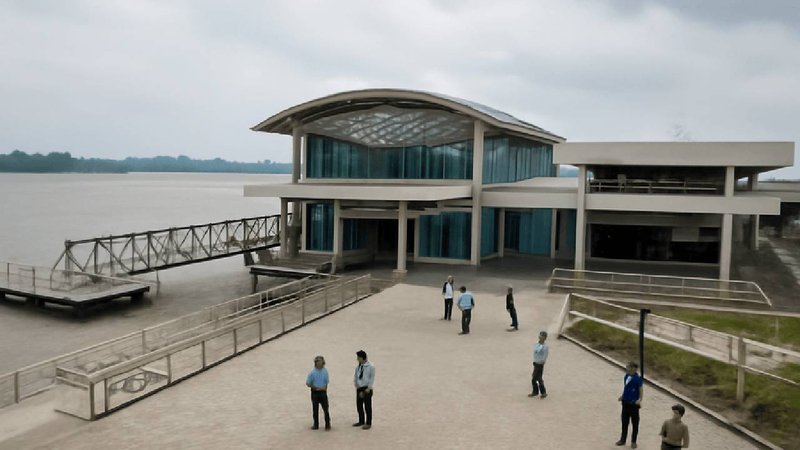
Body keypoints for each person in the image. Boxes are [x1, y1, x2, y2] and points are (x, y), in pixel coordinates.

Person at [616, 361, 644, 449]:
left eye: (628, 367)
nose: (627, 368)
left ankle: (633, 441)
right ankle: (623, 439)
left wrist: (639, 399)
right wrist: (622, 396)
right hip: (625, 403)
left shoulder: (637, 379)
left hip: (633, 405)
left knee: (635, 424)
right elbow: (626, 388)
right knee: (624, 423)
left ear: (634, 368)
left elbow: (641, 390)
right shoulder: (626, 376)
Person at [305, 355, 331, 430]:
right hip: (315, 392)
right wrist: (315, 387)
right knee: (315, 409)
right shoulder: (312, 373)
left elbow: (326, 382)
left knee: (326, 409)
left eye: (321, 361)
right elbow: (308, 383)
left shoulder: (325, 371)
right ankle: (316, 424)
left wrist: (325, 388)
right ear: (316, 363)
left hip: (323, 392)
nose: (321, 363)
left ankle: (327, 424)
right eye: (319, 361)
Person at [353, 350, 375, 430]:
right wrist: (356, 384)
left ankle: (368, 422)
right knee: (359, 405)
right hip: (359, 387)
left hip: (366, 388)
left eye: (358, 357)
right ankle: (361, 420)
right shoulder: (358, 366)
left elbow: (371, 378)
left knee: (367, 406)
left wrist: (369, 388)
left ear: (362, 358)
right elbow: (356, 376)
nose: (357, 359)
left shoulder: (371, 366)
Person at [528, 331, 548, 398]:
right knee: (539, 378)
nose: (540, 337)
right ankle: (543, 392)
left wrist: (541, 362)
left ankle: (536, 391)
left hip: (539, 364)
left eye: (542, 336)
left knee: (534, 378)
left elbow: (545, 356)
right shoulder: (536, 344)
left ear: (545, 338)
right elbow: (535, 351)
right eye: (540, 335)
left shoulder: (545, 347)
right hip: (535, 363)